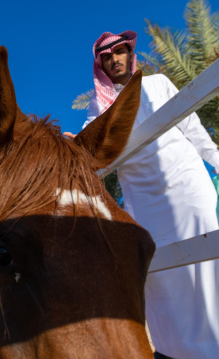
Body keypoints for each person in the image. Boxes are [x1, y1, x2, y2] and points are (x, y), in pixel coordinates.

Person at [65, 31, 219, 359]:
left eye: (121, 52)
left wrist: (217, 162)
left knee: (207, 270)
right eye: (108, 56)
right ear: (100, 64)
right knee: (161, 282)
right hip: (144, 207)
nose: (116, 59)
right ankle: (173, 352)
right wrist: (70, 145)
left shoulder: (158, 84)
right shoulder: (98, 105)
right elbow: (88, 140)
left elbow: (193, 128)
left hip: (188, 189)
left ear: (130, 55)